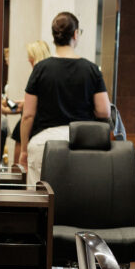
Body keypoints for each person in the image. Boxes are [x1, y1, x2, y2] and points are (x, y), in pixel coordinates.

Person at [20, 13, 111, 186]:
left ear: (54, 36)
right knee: (79, 195)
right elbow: (104, 111)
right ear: (75, 34)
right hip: (82, 143)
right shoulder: (91, 70)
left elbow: (28, 115)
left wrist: (24, 150)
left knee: (40, 198)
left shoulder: (40, 69)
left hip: (44, 143)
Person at [3, 40, 51, 165]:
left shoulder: (39, 76)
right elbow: (21, 106)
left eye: (30, 56)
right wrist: (10, 105)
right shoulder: (45, 76)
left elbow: (26, 109)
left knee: (21, 169)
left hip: (31, 130)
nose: (28, 59)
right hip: (28, 128)